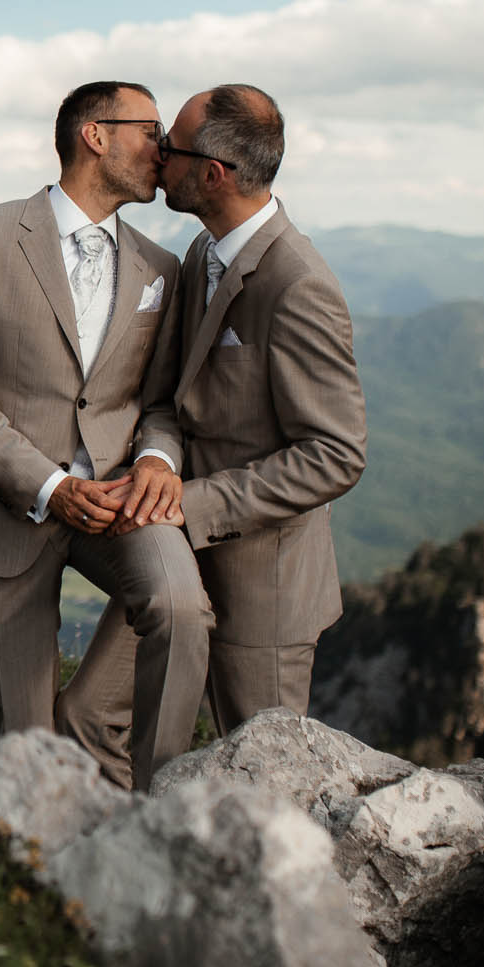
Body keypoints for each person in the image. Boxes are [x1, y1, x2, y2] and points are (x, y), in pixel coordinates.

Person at [60, 83, 367, 773]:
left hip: (266, 591)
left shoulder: (298, 284)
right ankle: (131, 868)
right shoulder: (203, 254)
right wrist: (158, 464)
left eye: (172, 145)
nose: (157, 154)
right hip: (179, 561)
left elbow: (336, 454)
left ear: (214, 173)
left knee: (261, 781)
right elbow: (170, 395)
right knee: (85, 714)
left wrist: (188, 503)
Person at [0, 80, 212, 791]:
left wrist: (154, 457)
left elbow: (165, 401)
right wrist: (49, 486)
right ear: (96, 134)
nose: (164, 148)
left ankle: (160, 802)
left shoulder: (162, 268)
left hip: (119, 500)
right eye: (150, 130)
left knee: (181, 607)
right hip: (5, 508)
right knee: (27, 756)